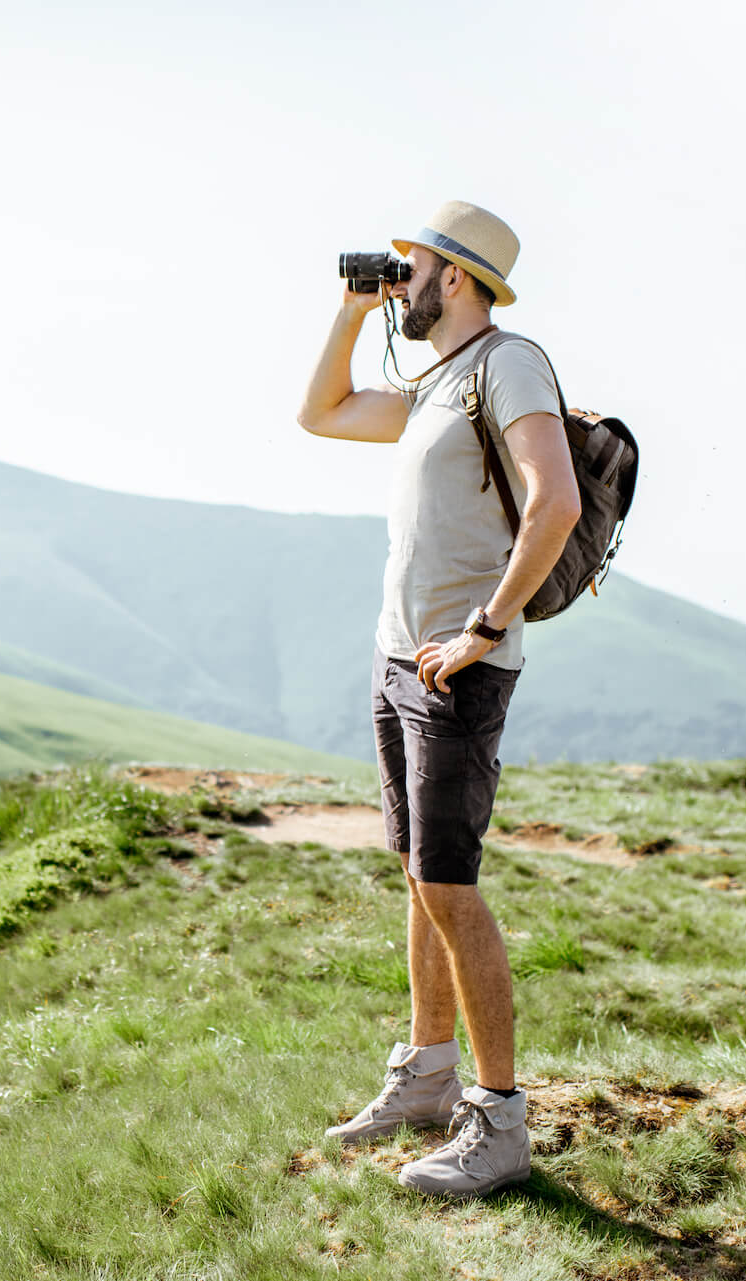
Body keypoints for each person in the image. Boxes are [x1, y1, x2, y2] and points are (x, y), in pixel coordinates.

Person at [295, 200, 580, 1198]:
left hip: (459, 668)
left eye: (409, 267)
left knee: (450, 886)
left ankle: (497, 1125)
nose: (399, 280)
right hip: (398, 662)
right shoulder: (434, 386)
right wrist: (349, 309)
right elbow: (321, 414)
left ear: (453, 278)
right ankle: (424, 1080)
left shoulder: (509, 365)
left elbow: (557, 500)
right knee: (421, 878)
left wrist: (487, 628)